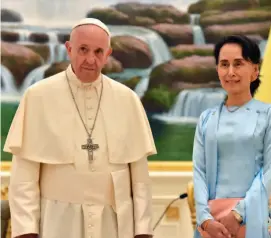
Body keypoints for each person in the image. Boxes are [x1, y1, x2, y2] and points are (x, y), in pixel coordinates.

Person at [4, 18, 157, 238]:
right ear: (68, 49)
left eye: (98, 52)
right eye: (83, 50)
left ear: (108, 54)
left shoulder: (128, 99)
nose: (90, 59)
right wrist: (27, 231)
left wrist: (143, 231)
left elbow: (140, 178)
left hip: (113, 223)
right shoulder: (38, 96)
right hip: (58, 222)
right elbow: (24, 176)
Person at [192, 35, 271, 238]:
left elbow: (269, 172)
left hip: (256, 216)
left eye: (238, 64)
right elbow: (199, 171)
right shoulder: (206, 119)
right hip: (212, 222)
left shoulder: (270, 115)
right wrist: (205, 219)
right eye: (224, 64)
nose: (231, 72)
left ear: (255, 70)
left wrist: (238, 214)